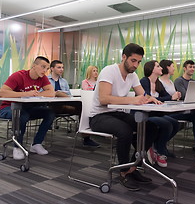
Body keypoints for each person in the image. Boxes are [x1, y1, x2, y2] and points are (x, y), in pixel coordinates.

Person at [89, 43, 159, 191]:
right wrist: (132, 99)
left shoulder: (132, 75)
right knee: (125, 131)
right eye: (133, 61)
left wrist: (149, 98)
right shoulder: (109, 71)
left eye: (139, 62)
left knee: (151, 127)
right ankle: (123, 172)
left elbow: (141, 94)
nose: (136, 65)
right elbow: (104, 99)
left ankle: (132, 168)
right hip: (98, 116)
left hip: (116, 114)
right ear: (124, 57)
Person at [0, 56, 56, 160]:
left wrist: (37, 94)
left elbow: (51, 92)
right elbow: (2, 93)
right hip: (9, 108)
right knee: (22, 115)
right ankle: (17, 147)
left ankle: (36, 144)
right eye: (43, 67)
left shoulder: (42, 78)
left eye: (47, 69)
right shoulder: (18, 76)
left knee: (50, 113)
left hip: (27, 108)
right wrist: (25, 94)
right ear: (34, 66)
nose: (45, 71)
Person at [48, 60, 100, 147]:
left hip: (64, 104)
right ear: (52, 69)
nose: (61, 69)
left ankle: (86, 138)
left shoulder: (64, 81)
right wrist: (56, 93)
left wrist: (59, 93)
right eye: (59, 67)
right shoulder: (46, 80)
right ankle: (87, 136)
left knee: (83, 107)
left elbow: (69, 95)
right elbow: (43, 93)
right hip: (51, 105)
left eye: (62, 67)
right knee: (79, 106)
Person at [140, 60, 180, 167]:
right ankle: (160, 151)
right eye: (158, 66)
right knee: (167, 124)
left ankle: (156, 146)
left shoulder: (158, 82)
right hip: (145, 114)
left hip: (156, 113)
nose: (161, 68)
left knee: (175, 124)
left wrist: (160, 98)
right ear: (151, 69)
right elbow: (147, 97)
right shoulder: (144, 81)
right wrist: (159, 98)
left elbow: (166, 97)